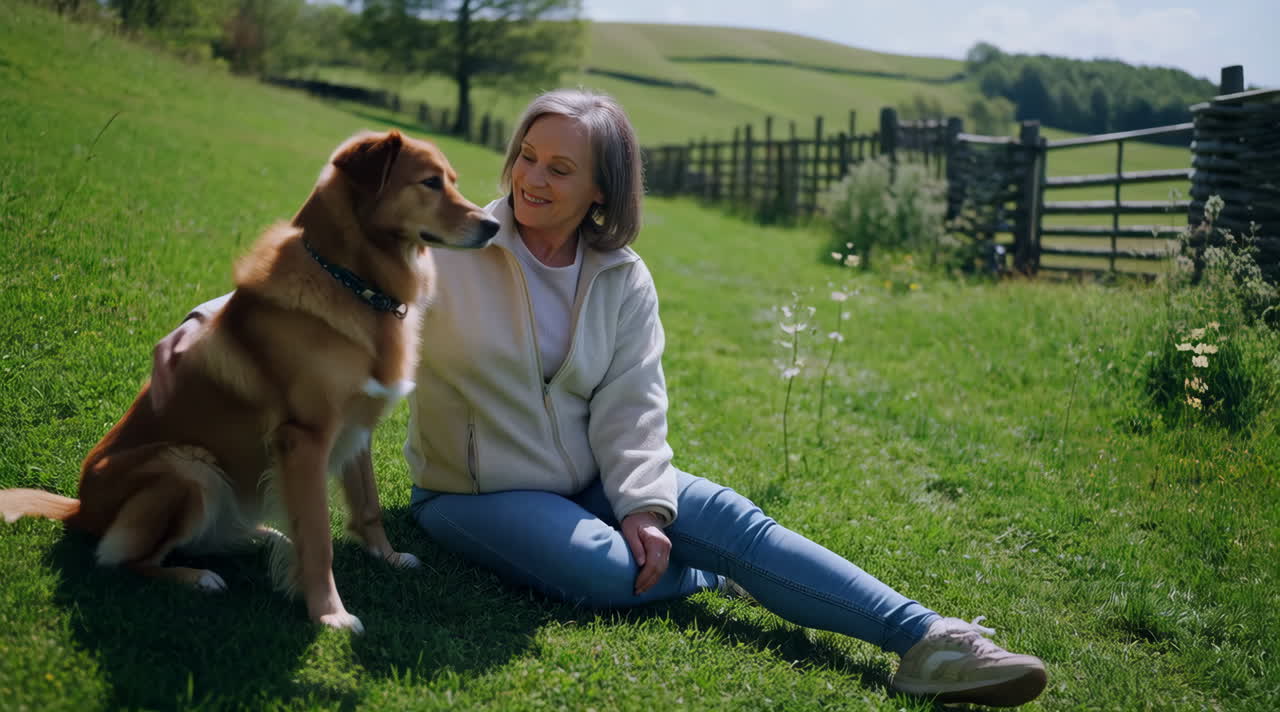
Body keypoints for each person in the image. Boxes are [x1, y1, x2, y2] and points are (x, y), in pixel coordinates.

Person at [153, 89, 1047, 707]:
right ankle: (714, 573)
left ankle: (932, 641)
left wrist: (648, 504)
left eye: (561, 170)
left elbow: (634, 404)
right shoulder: (449, 246)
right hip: (478, 495)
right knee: (603, 572)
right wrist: (206, 316)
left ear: (601, 192)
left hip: (596, 476)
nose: (532, 181)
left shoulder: (623, 277)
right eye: (527, 158)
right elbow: (313, 262)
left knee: (733, 517)